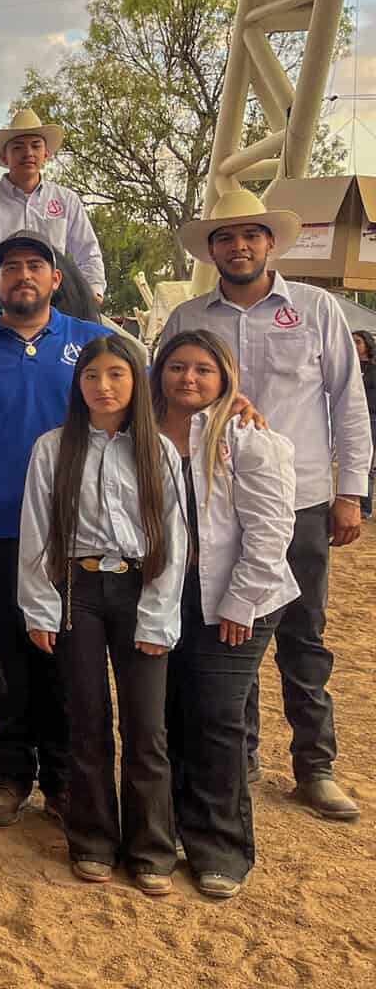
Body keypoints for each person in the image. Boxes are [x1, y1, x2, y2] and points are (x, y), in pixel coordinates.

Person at [159, 189, 369, 821]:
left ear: (270, 242)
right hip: (210, 502)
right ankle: (238, 755)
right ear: (212, 249)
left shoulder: (316, 309)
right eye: (225, 238)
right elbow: (160, 396)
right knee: (228, 621)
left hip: (300, 498)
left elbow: (346, 401)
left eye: (249, 235)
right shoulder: (188, 317)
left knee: (304, 634)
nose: (238, 246)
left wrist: (351, 490)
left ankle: (316, 764)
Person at [0, 230, 113, 828]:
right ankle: (10, 773)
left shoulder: (94, 345)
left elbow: (159, 406)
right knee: (8, 655)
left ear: (56, 278)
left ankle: (62, 779)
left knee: (68, 657)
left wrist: (237, 402)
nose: (23, 276)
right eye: (11, 267)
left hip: (77, 533)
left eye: (36, 265)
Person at [19, 334, 185, 896]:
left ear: (136, 382)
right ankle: (92, 838)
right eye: (92, 376)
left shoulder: (157, 450)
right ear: (78, 384)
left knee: (147, 727)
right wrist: (41, 606)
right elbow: (37, 532)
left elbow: (174, 536)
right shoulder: (52, 448)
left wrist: (160, 613)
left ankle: (152, 847)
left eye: (117, 374)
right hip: (78, 592)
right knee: (86, 720)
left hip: (139, 587)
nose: (104, 386)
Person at [153, 331, 298, 899]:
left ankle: (221, 847)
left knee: (215, 717)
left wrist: (239, 603)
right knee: (169, 714)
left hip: (239, 601)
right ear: (159, 372)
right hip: (169, 598)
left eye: (203, 370)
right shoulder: (139, 433)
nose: (188, 379)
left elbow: (269, 531)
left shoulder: (247, 436)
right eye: (177, 367)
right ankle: (174, 829)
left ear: (225, 379)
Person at [0, 108, 106, 307]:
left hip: (59, 303)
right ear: (5, 157)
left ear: (46, 154)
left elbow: (88, 253)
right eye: (18, 147)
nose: (28, 153)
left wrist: (93, 289)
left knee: (105, 337)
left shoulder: (67, 200)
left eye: (35, 146)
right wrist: (7, 276)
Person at [353, 329, 376, 519]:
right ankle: (360, 507)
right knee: (360, 462)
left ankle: (365, 508)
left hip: (372, 419)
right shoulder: (347, 366)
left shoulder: (373, 369)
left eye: (358, 341)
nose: (354, 345)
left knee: (368, 464)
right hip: (354, 419)